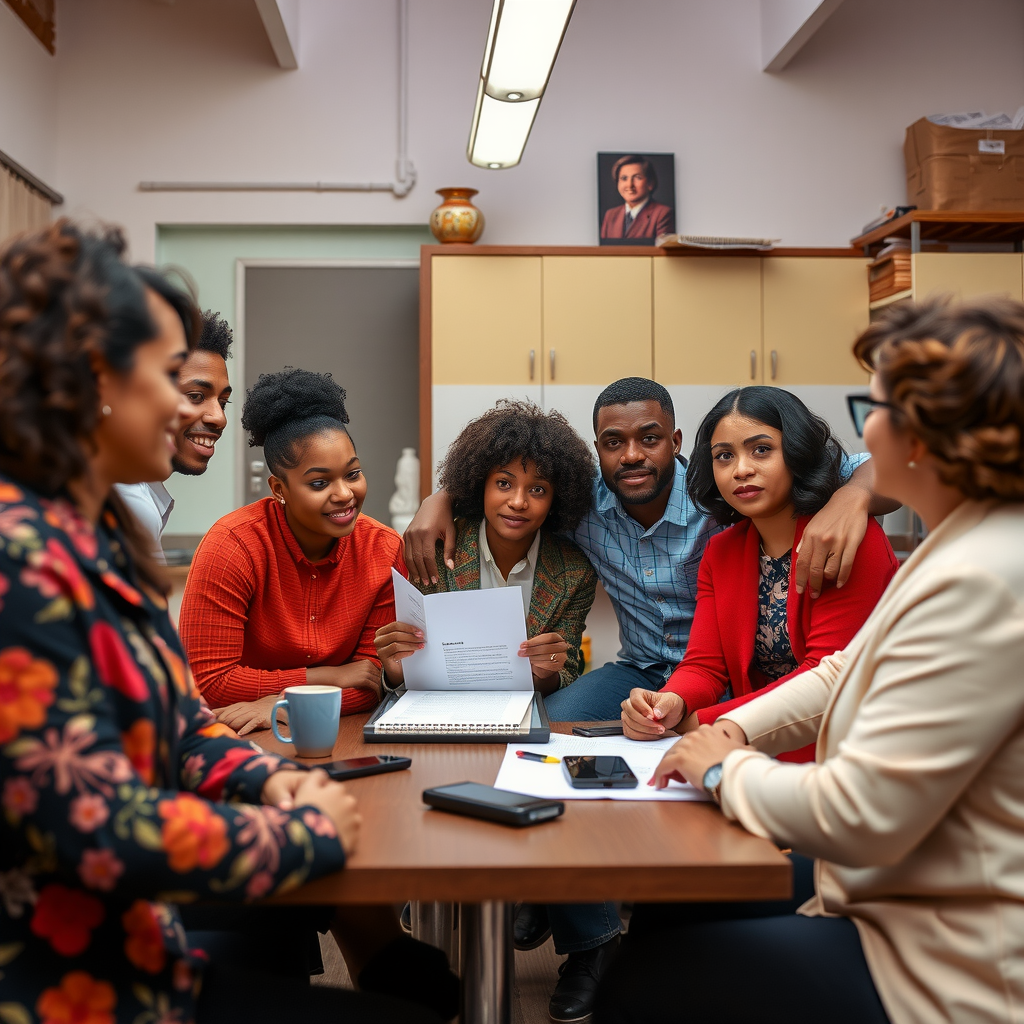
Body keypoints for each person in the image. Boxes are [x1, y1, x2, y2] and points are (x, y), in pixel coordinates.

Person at [0, 221, 444, 1023]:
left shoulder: (91, 535)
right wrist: (301, 833)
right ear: (92, 381)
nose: (194, 408)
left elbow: (180, 723)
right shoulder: (21, 562)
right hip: (74, 988)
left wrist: (269, 778)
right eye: (173, 378)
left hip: (137, 950)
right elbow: (96, 827)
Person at [404, 377, 896, 1020]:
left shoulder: (801, 529)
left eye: (759, 451)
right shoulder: (667, 532)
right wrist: (440, 496)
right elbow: (509, 480)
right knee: (557, 736)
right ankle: (585, 929)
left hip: (781, 722)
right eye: (614, 442)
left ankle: (566, 911)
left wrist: (852, 497)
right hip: (657, 670)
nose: (632, 454)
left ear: (676, 443)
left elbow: (820, 679)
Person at [595, 297, 1024, 1024]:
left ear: (928, 430)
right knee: (669, 913)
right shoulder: (962, 543)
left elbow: (860, 812)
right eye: (726, 454)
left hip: (940, 952)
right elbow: (842, 671)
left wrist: (723, 763)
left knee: (641, 984)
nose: (866, 430)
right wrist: (708, 723)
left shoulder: (980, 576)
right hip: (887, 883)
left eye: (877, 406)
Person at [621, 386, 898, 760]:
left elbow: (825, 678)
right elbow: (705, 665)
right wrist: (671, 702)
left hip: (845, 751)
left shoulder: (848, 540)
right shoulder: (722, 551)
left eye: (762, 449)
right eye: (724, 456)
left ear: (797, 452)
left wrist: (702, 722)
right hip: (753, 748)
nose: (741, 469)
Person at [179, 368, 401, 735]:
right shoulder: (233, 545)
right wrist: (325, 678)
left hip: (331, 734)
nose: (345, 494)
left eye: (353, 474)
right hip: (242, 736)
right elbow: (208, 684)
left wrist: (281, 704)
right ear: (279, 488)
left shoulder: (383, 549)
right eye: (319, 482)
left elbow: (371, 682)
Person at [374, 400, 598, 696]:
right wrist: (393, 670)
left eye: (537, 489)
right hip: (443, 710)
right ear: (481, 484)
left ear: (557, 498)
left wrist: (549, 668)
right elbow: (407, 672)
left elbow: (566, 672)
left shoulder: (575, 573)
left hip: (524, 711)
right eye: (504, 483)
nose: (518, 501)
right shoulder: (437, 552)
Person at [115, 308, 233, 559]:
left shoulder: (140, 492)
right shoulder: (129, 502)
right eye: (195, 397)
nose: (219, 417)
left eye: (223, 403)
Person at [600, 155, 674, 241]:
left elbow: (662, 251)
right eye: (624, 178)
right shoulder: (610, 215)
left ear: (650, 183)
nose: (629, 185)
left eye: (637, 178)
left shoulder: (663, 214)